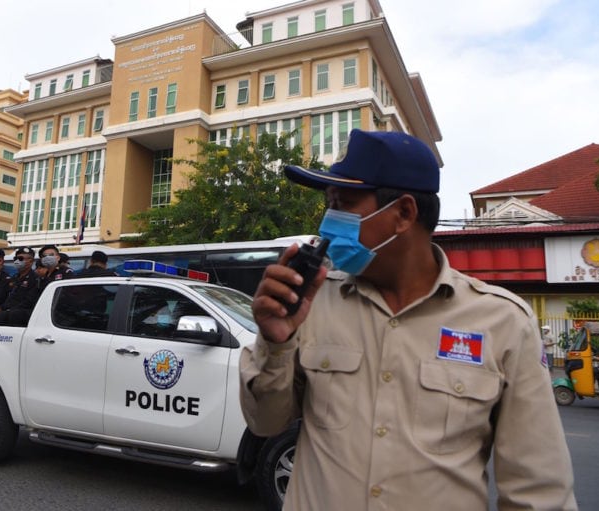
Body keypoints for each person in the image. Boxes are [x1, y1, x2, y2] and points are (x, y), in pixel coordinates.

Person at [239, 129, 577, 510]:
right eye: (328, 205)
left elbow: (539, 491)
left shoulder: (503, 322)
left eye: (344, 204)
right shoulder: (312, 304)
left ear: (403, 214)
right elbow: (264, 424)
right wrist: (276, 343)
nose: (327, 223)